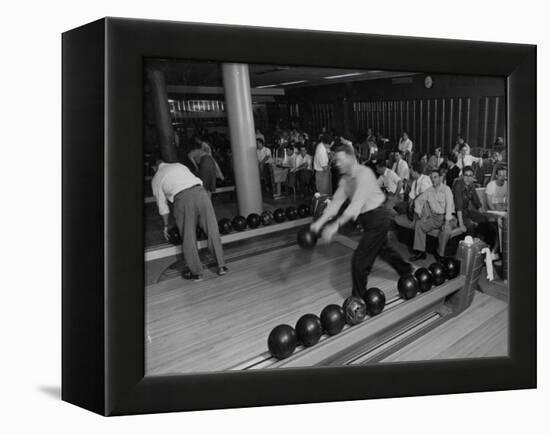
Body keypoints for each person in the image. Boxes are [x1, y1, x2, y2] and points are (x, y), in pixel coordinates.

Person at [310, 143, 413, 299]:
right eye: (335, 160)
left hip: (378, 217)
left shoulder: (364, 174)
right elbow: (336, 202)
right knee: (383, 250)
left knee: (359, 262)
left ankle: (358, 300)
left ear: (351, 158)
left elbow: (356, 204)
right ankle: (406, 270)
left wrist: (334, 226)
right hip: (369, 220)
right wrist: (320, 222)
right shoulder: (345, 180)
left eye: (340, 160)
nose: (336, 164)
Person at [151, 159, 227, 281]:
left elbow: (163, 207)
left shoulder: (156, 178)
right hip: (201, 193)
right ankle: (222, 266)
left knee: (188, 236)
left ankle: (196, 273)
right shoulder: (178, 165)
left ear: (154, 168)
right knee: (212, 230)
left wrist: (166, 226)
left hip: (183, 199)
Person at [409, 170, 455, 262]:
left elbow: (449, 207)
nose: (433, 180)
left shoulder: (446, 189)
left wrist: (446, 223)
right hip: (434, 218)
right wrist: (420, 213)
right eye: (432, 178)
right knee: (419, 224)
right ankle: (421, 252)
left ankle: (440, 255)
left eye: (435, 177)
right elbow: (418, 201)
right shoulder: (429, 191)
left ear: (440, 178)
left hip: (448, 218)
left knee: (445, 231)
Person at [452, 165, 487, 233]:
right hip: (456, 214)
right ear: (462, 176)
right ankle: (470, 242)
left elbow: (477, 202)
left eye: (470, 175)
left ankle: (480, 242)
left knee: (484, 219)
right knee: (470, 225)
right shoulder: (458, 185)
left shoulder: (471, 185)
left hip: (466, 211)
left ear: (473, 177)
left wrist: (483, 214)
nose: (468, 178)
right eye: (466, 175)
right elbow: (459, 207)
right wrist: (461, 225)